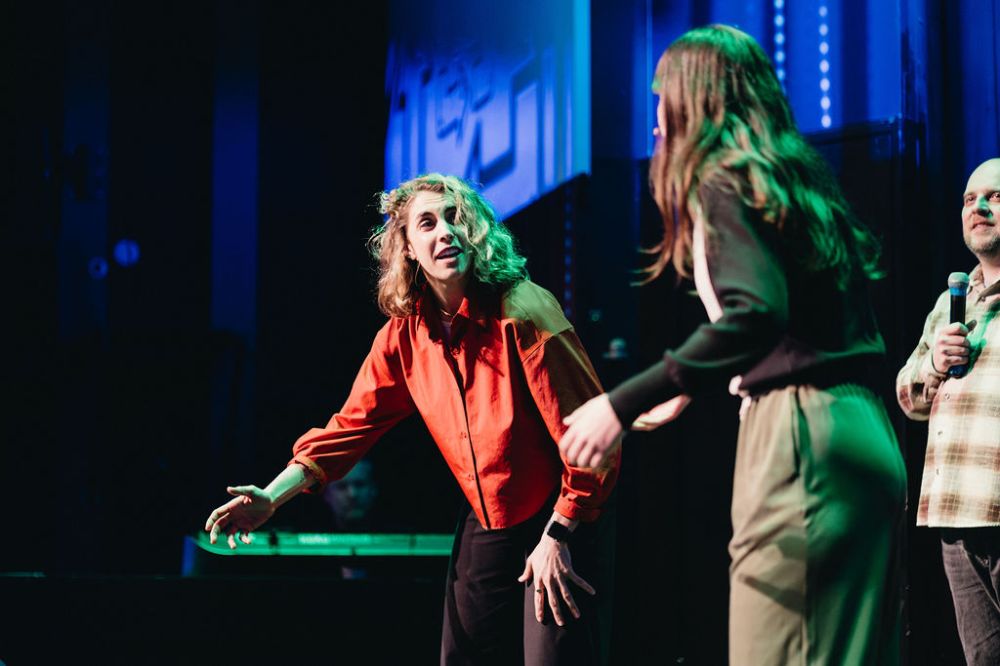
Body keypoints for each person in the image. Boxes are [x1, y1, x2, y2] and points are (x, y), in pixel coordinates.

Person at [558, 24, 905, 665]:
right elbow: (797, 319)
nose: (655, 119)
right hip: (864, 431)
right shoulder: (799, 186)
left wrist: (621, 403)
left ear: (695, 101)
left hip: (800, 435)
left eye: (661, 98)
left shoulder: (720, 178)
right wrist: (693, 385)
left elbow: (756, 313)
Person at [204, 173, 620, 665]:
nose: (446, 232)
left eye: (455, 219)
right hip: (489, 516)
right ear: (407, 249)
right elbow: (347, 431)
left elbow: (594, 440)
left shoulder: (523, 312)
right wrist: (271, 498)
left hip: (562, 512)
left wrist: (560, 533)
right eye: (428, 223)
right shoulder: (404, 338)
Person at [896, 158, 1000, 666]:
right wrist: (935, 363)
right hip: (956, 513)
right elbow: (909, 397)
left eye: (995, 196)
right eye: (968, 200)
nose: (978, 207)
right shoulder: (950, 301)